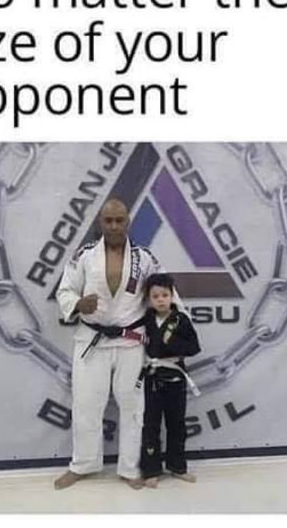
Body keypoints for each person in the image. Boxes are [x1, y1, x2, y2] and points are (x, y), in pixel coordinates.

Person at [54, 198, 180, 490]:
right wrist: (77, 304)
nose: (113, 226)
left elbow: (165, 294)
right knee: (86, 404)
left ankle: (130, 468)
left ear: (128, 222)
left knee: (133, 406)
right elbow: (65, 290)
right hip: (91, 339)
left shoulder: (144, 258)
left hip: (130, 341)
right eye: (108, 220)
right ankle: (82, 465)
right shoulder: (84, 255)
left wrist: (174, 328)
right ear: (100, 222)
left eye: (119, 220)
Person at [138, 273, 201, 487]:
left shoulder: (181, 319)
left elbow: (194, 348)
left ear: (172, 296)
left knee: (177, 424)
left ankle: (178, 467)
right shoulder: (146, 319)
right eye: (155, 296)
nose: (161, 300)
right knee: (150, 425)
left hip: (175, 376)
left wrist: (171, 343)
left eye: (165, 295)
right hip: (152, 377)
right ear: (149, 299)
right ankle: (151, 470)